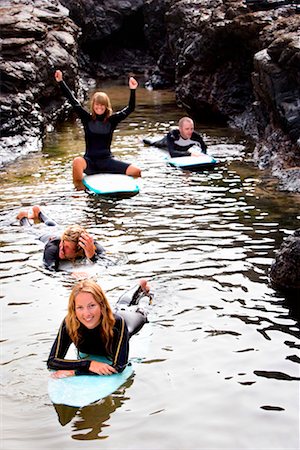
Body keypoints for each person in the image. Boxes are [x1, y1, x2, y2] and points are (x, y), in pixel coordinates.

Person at [54, 70, 142, 190]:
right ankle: (78, 189)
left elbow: (130, 108)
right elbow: (73, 101)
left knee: (136, 171)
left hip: (107, 161)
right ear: (93, 105)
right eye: (97, 105)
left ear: (106, 106)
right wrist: (60, 82)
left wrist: (133, 90)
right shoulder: (87, 118)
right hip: (90, 161)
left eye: (102, 105)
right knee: (77, 161)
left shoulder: (112, 120)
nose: (99, 107)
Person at [47, 278, 152, 377]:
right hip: (108, 314)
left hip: (129, 319)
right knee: (121, 305)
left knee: (140, 310)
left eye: (92, 305)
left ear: (102, 305)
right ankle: (139, 286)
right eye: (80, 307)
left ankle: (142, 291)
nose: (86, 313)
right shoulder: (69, 322)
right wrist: (88, 364)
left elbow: (119, 367)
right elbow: (52, 361)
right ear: (73, 309)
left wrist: (75, 372)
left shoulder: (118, 324)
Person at [17, 205, 105, 271]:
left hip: (59, 232)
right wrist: (69, 275)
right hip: (45, 235)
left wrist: (91, 256)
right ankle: (24, 217)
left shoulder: (89, 245)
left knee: (53, 225)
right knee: (30, 229)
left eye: (67, 247)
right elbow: (49, 269)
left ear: (79, 249)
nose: (61, 248)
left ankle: (38, 213)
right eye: (63, 244)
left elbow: (108, 263)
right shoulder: (53, 247)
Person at [143, 116, 207, 157]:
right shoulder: (172, 134)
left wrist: (202, 154)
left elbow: (204, 148)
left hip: (182, 149)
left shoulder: (196, 136)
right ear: (180, 129)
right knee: (153, 144)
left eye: (191, 129)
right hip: (165, 144)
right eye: (187, 129)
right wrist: (190, 154)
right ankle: (143, 140)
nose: (190, 132)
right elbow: (172, 153)